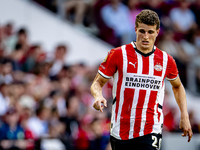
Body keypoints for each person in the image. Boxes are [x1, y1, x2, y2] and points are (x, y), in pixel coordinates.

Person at [90, 9, 193, 150]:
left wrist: (184, 116)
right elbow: (97, 82)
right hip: (121, 129)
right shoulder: (118, 54)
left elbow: (177, 86)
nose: (146, 36)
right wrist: (98, 96)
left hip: (151, 128)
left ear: (157, 33)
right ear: (135, 29)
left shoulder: (166, 60)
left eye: (150, 32)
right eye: (142, 31)